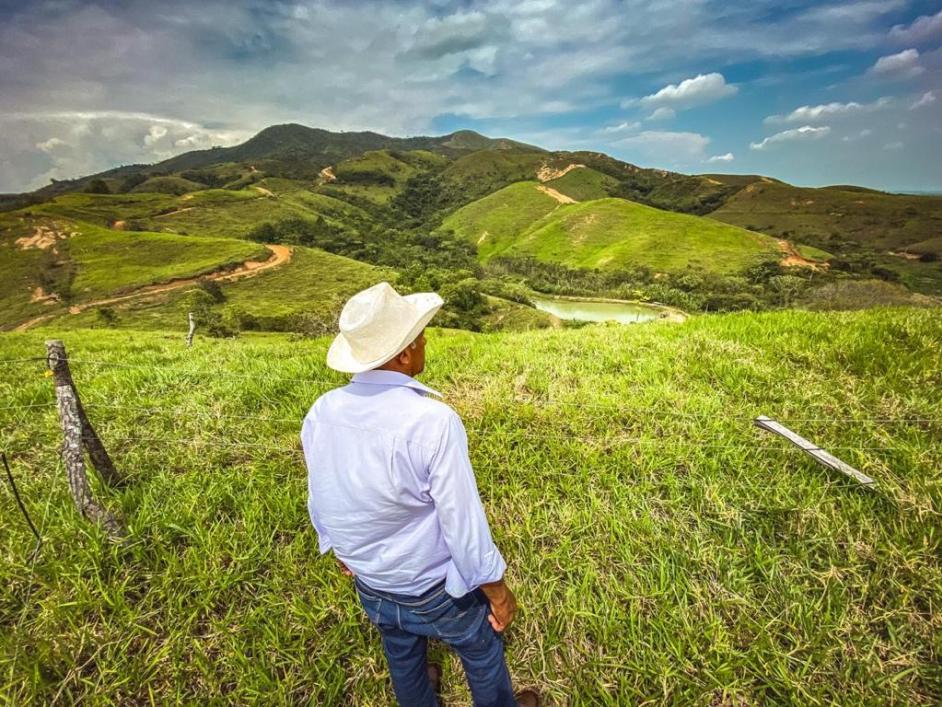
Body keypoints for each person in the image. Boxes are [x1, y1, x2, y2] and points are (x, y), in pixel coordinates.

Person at [301, 282, 539, 707]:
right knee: (481, 650)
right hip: (431, 588)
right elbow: (463, 526)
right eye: (422, 339)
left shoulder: (322, 411)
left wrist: (338, 548)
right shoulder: (432, 422)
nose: (426, 343)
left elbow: (321, 492)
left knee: (401, 649)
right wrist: (498, 593)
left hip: (369, 580)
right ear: (405, 354)